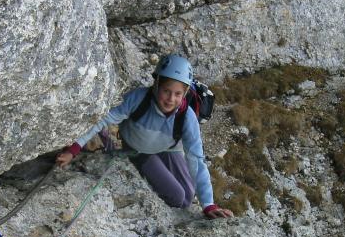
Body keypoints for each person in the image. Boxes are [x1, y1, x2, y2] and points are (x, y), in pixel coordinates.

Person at [56, 54, 234, 219]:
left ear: (185, 92)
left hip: (168, 148)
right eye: (166, 91)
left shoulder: (187, 117)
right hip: (138, 149)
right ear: (156, 85)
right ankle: (108, 143)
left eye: (178, 94)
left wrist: (209, 205)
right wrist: (74, 149)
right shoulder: (138, 99)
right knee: (177, 196)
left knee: (187, 198)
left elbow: (196, 160)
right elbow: (103, 119)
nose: (171, 99)